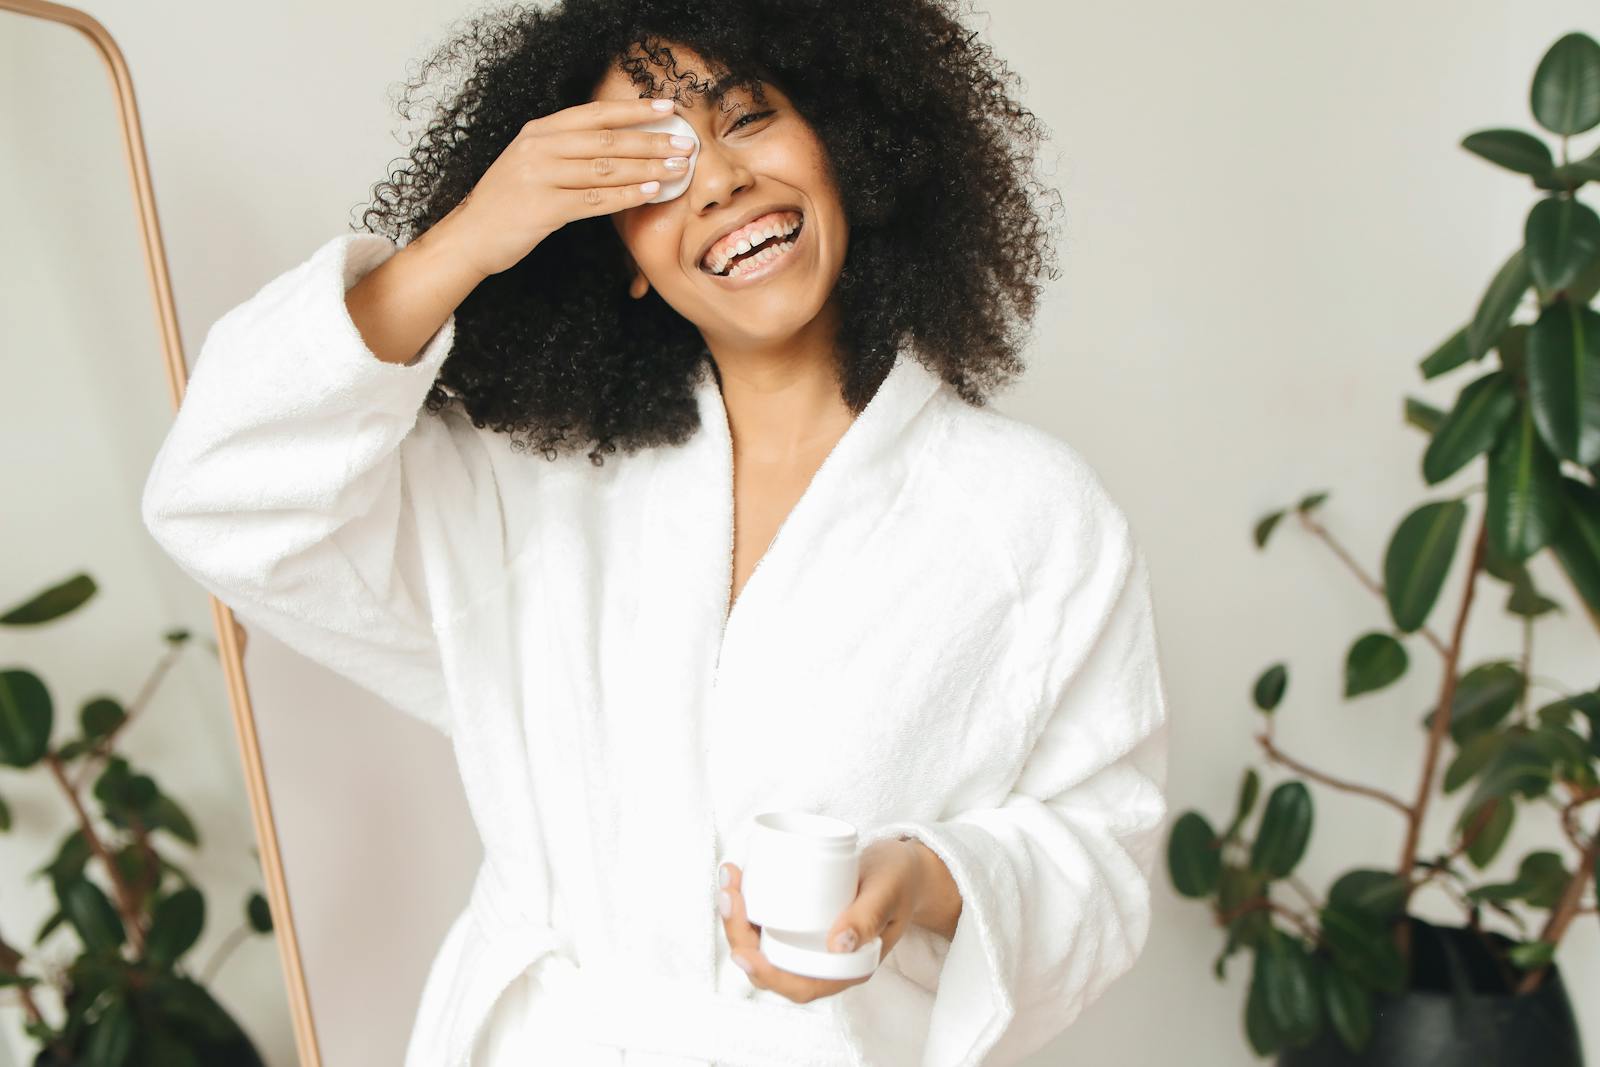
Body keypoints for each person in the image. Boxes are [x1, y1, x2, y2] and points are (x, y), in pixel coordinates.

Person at [140, 2, 1171, 1065]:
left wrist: (927, 879)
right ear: (621, 254)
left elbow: (1102, 854)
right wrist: (467, 241)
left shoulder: (1027, 515)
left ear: (844, 146)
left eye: (749, 117)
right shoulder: (532, 489)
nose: (718, 180)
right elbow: (220, 491)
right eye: (654, 167)